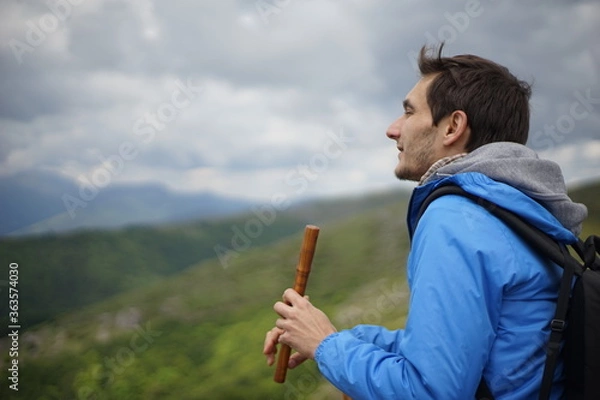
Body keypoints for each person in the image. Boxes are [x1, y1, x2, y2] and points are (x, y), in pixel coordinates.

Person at [263, 44, 588, 399]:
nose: (392, 129)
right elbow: (471, 352)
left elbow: (429, 392)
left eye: (408, 112)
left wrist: (325, 345)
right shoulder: (521, 209)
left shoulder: (456, 219)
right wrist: (334, 336)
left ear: (452, 127)